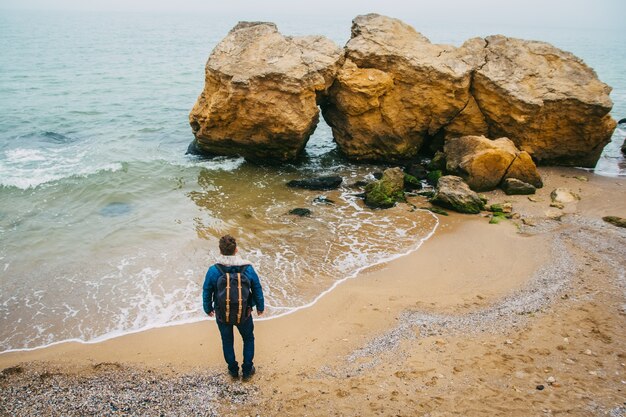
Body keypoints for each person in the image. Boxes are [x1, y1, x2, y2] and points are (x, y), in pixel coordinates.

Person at [203, 235, 265, 380]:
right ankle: (248, 370)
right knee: (248, 339)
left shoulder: (213, 270)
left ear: (220, 250)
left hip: (222, 314)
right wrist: (260, 307)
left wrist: (207, 308)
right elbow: (257, 288)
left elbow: (207, 290)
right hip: (244, 313)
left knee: (227, 341)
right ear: (236, 250)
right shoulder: (247, 268)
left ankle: (233, 370)